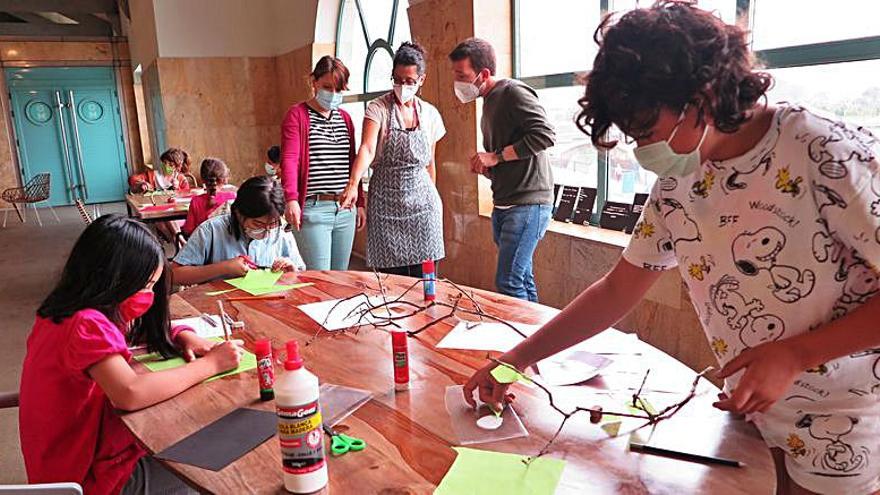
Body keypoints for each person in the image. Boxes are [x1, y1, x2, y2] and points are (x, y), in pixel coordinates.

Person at [464, 3, 880, 494]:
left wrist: (795, 354)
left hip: (842, 422)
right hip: (747, 409)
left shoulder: (825, 152)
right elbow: (618, 288)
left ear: (701, 99)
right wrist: (517, 358)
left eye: (647, 131)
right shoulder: (680, 180)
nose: (643, 148)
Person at [19, 214, 243, 495]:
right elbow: (130, 392)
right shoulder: (85, 324)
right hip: (87, 478)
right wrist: (211, 364)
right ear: (112, 279)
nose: (148, 296)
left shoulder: (63, 311)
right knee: (208, 461)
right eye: (146, 285)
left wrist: (181, 334)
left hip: (62, 461)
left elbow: (132, 333)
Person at [448, 37, 556, 302]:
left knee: (508, 281)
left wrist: (495, 157)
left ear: (483, 73)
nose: (457, 82)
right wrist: (487, 167)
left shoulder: (513, 92)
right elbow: (508, 154)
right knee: (521, 277)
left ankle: (524, 341)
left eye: (462, 75)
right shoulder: (490, 100)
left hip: (528, 204)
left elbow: (545, 135)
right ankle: (536, 337)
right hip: (506, 203)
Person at [340, 42, 446, 278]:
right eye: (398, 80)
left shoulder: (430, 114)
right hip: (385, 204)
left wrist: (432, 195)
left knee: (425, 279)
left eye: (409, 81)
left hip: (423, 206)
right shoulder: (378, 108)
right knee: (390, 282)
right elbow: (367, 148)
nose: (403, 86)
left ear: (422, 80)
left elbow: (430, 163)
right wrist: (352, 184)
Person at [280, 56, 365, 270]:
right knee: (321, 280)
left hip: (345, 209)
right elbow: (290, 159)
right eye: (327, 87)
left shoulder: (345, 118)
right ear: (314, 82)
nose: (333, 94)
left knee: (341, 279)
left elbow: (353, 162)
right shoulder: (297, 115)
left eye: (339, 89)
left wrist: (360, 202)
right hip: (314, 209)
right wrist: (291, 199)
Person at [173, 175, 305, 286]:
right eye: (257, 223)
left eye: (272, 224)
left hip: (269, 304)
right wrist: (224, 268)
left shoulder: (281, 233)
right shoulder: (211, 231)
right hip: (219, 306)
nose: (266, 232)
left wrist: (292, 272)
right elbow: (175, 275)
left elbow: (301, 275)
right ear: (239, 213)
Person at [181, 157, 236, 237]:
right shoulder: (233, 197)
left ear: (203, 180)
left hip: (205, 247)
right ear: (224, 179)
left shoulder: (196, 201)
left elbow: (188, 230)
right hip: (231, 246)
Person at [128, 148, 193, 194]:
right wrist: (144, 184)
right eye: (164, 163)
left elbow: (186, 195)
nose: (166, 166)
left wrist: (178, 188)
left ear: (177, 168)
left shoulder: (181, 179)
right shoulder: (153, 175)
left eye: (171, 165)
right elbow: (132, 179)